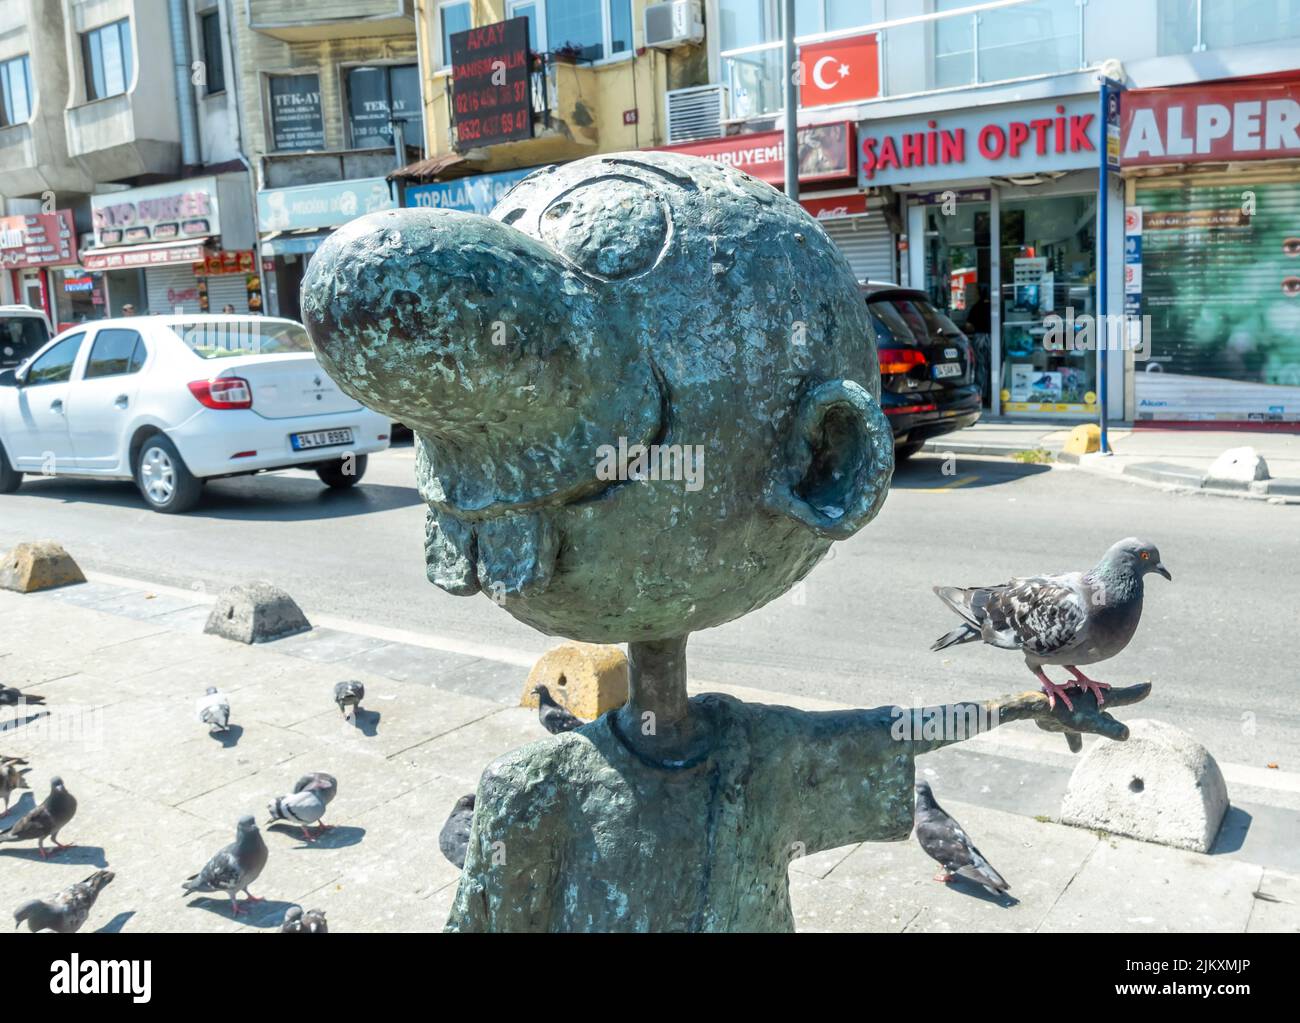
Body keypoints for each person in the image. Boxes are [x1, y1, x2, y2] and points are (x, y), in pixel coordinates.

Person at [302, 151, 1147, 933]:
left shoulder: (753, 761)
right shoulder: (535, 798)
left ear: (825, 461)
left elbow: (895, 733)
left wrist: (1021, 705)